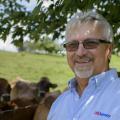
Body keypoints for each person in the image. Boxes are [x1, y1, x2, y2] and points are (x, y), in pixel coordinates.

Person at [47, 10, 120, 120]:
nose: (80, 53)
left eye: (90, 43)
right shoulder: (59, 104)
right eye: (72, 45)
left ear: (108, 50)